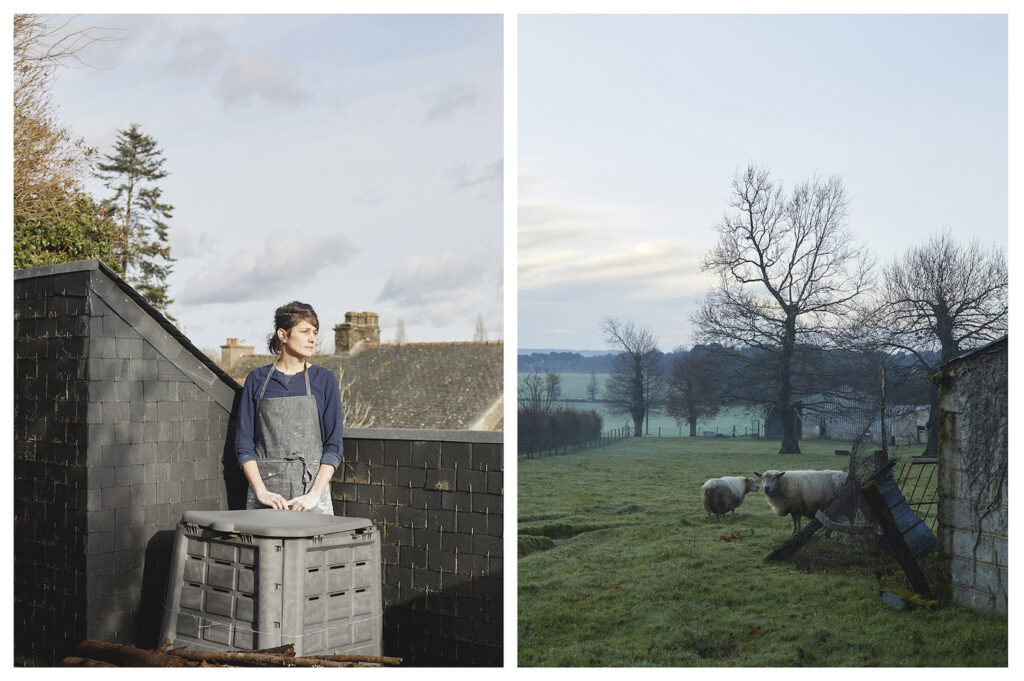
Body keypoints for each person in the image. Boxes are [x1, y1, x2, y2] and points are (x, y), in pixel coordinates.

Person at [235, 301, 342, 514]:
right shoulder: (257, 380)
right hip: (267, 497)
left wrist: (314, 495)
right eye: (304, 331)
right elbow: (243, 445)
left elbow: (334, 446)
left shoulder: (325, 380)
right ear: (283, 335)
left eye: (314, 332)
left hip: (311, 497)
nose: (312, 338)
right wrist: (261, 491)